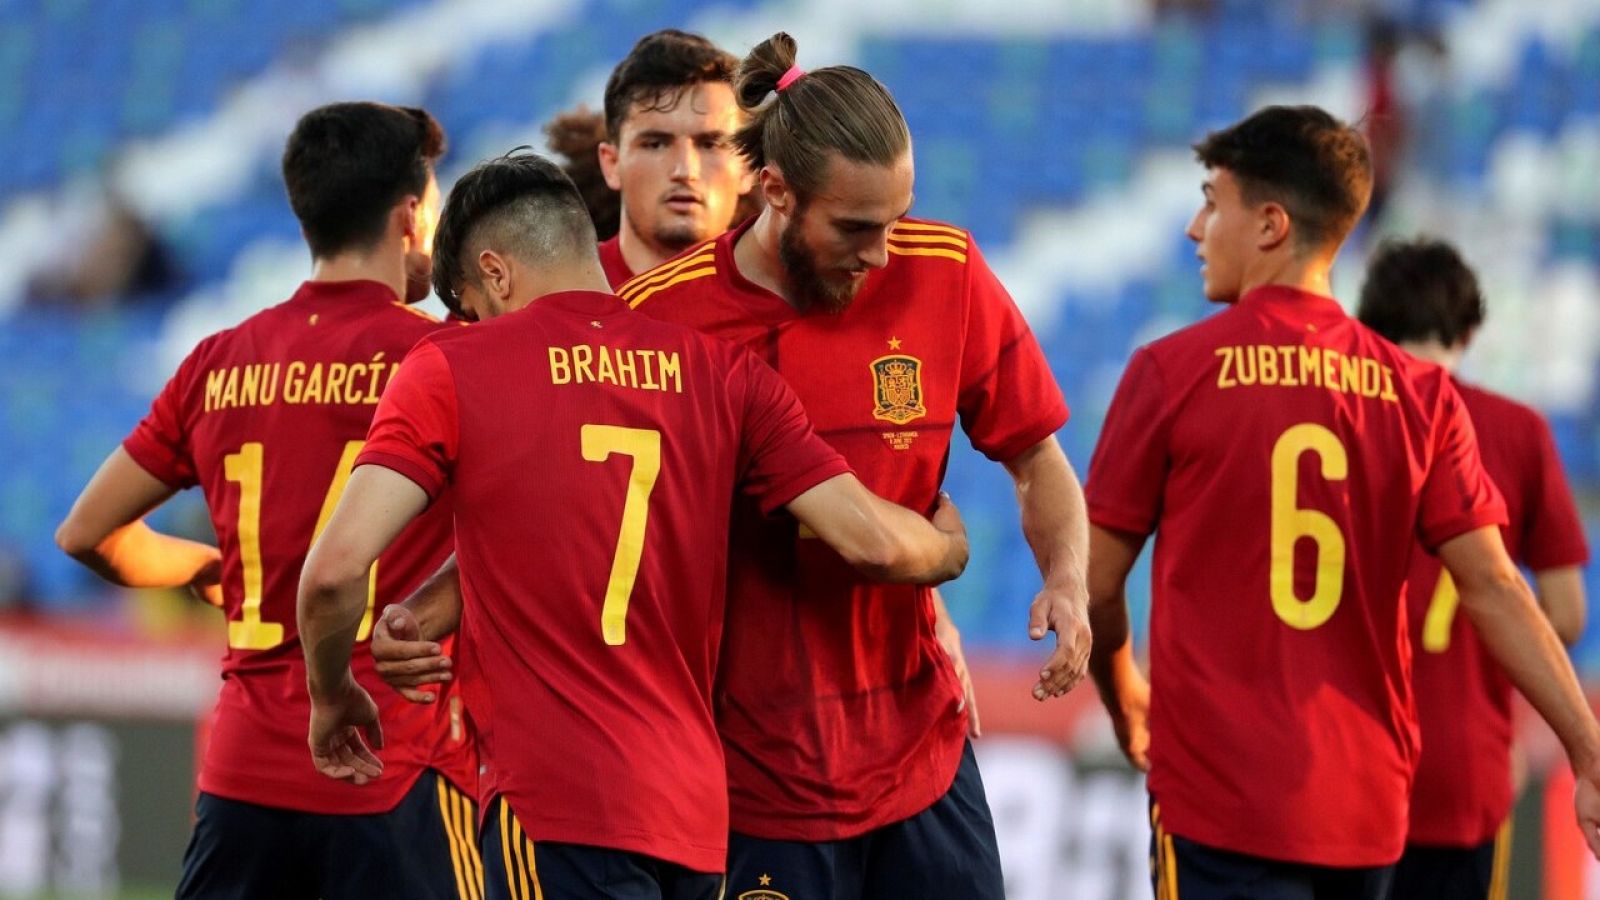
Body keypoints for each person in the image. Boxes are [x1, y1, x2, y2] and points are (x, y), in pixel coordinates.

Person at [296, 150, 971, 900]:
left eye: (468, 305)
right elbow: (871, 540)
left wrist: (332, 698)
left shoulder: (455, 364)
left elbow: (332, 572)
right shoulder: (724, 375)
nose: (470, 325)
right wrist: (946, 549)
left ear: (494, 273)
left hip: (553, 805)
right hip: (693, 817)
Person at [1082, 105, 1600, 900]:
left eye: (1212, 202)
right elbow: (1497, 587)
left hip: (1221, 802)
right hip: (1363, 809)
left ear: (1269, 225)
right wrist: (1588, 750)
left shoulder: (1170, 373)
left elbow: (1095, 585)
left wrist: (1125, 701)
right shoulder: (1420, 396)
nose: (1194, 227)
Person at [621, 32, 1090, 899]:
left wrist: (1065, 576)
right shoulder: (659, 320)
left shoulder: (944, 272)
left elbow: (1036, 458)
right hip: (750, 787)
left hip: (922, 764)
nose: (881, 253)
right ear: (775, 192)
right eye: (856, 228)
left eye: (897, 221)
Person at [54, 102, 480, 900]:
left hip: (243, 778)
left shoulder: (218, 361)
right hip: (391, 765)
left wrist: (205, 568)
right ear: (411, 214)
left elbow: (86, 533)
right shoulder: (444, 358)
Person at [1357, 238, 1590, 900]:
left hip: (1343, 768)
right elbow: (1568, 614)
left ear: (1368, 326)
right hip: (1465, 766)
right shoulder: (1516, 431)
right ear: (1469, 330)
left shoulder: (1337, 418)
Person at [554, 29, 754, 287]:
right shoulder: (555, 297)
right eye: (656, 144)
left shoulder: (793, 303)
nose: (685, 170)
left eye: (710, 144)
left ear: (748, 166)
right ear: (611, 164)